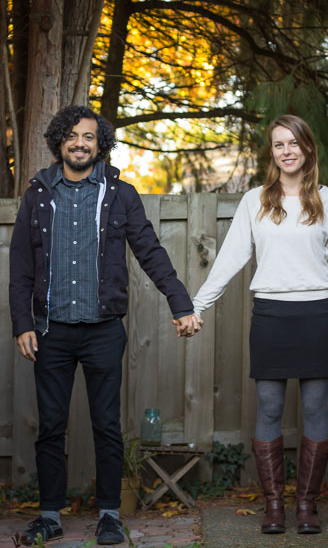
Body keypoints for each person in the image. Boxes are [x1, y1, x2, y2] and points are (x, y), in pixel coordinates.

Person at [9, 105, 202, 545]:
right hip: (50, 331)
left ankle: (110, 515)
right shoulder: (38, 193)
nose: (81, 143)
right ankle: (50, 515)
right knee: (51, 426)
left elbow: (150, 250)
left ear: (101, 144)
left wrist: (180, 303)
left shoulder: (118, 193)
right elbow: (20, 263)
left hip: (103, 330)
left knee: (106, 425)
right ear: (60, 141)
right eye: (73, 135)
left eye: (90, 137)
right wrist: (23, 323)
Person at [192, 115, 328, 535]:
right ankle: (275, 507)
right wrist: (198, 305)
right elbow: (230, 260)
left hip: (319, 313)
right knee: (269, 407)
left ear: (308, 148)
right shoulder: (255, 201)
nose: (286, 151)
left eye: (294, 143)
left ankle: (305, 506)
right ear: (273, 152)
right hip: (270, 314)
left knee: (315, 409)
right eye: (279, 144)